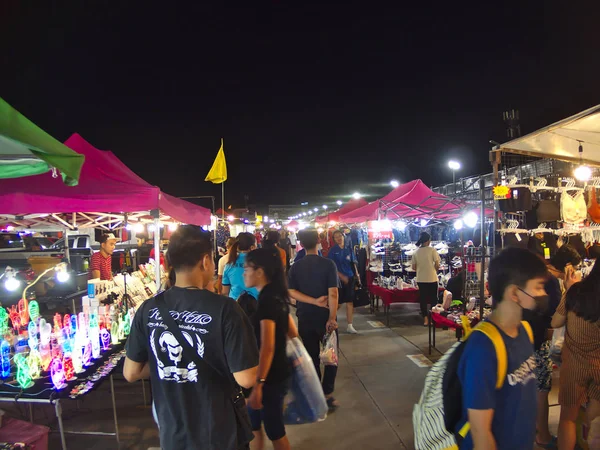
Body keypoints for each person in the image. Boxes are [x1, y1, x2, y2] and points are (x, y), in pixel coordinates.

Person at [123, 225, 259, 450]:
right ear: (206, 261)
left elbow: (131, 372)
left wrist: (171, 362)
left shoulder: (148, 309)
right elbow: (246, 378)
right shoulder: (226, 309)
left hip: (172, 432)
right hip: (219, 432)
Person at [456, 247, 548, 450]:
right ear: (515, 293)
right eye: (538, 286)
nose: (543, 294)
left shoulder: (525, 330)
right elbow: (481, 432)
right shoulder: (484, 348)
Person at [523, 245, 581, 448]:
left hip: (529, 336)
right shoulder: (551, 281)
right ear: (567, 266)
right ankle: (543, 435)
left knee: (534, 386)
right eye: (575, 267)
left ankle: (535, 429)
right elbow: (558, 314)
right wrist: (570, 288)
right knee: (542, 388)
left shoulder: (541, 272)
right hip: (538, 338)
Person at [243, 248, 299, 450]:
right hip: (277, 373)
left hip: (270, 377)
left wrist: (259, 385)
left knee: (275, 430)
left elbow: (268, 347)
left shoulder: (267, 300)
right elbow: (292, 332)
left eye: (247, 268)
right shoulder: (277, 296)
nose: (244, 273)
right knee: (255, 425)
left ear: (260, 271)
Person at [288, 228, 340, 410]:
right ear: (319, 240)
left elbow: (291, 292)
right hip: (326, 317)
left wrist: (312, 301)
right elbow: (333, 293)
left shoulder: (296, 266)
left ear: (301, 243)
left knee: (311, 357)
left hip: (305, 317)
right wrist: (332, 318)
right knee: (331, 356)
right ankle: (328, 393)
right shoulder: (328, 264)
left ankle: (316, 394)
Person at [551, 258, 600, 450]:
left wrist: (569, 289)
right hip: (598, 365)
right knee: (595, 420)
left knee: (568, 420)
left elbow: (555, 322)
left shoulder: (575, 291)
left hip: (574, 366)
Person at [328, 230, 361, 334]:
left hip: (350, 277)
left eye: (340, 236)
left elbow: (353, 263)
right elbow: (331, 266)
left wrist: (357, 276)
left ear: (343, 236)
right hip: (338, 279)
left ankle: (350, 325)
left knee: (350, 301)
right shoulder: (333, 251)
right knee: (338, 303)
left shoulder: (349, 249)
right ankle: (329, 319)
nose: (338, 238)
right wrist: (341, 276)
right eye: (335, 237)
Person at [411, 232, 441, 326]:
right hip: (432, 277)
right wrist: (434, 270)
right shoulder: (432, 250)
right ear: (428, 241)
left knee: (423, 299)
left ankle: (425, 319)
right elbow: (437, 264)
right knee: (433, 299)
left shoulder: (416, 252)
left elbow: (413, 267)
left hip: (421, 278)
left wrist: (421, 269)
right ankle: (432, 319)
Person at [223, 233, 259, 300]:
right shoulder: (259, 264)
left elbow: (225, 292)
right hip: (256, 305)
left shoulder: (229, 265)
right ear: (252, 247)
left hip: (234, 305)